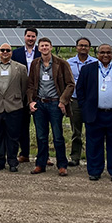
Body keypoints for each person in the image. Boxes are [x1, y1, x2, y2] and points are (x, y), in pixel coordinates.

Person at [76, 44, 112, 182]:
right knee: (94, 144)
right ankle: (95, 171)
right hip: (95, 113)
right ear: (97, 54)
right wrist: (84, 107)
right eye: (102, 52)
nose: (105, 55)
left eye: (108, 52)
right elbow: (80, 90)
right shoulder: (87, 70)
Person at [27, 37, 75, 176]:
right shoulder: (35, 64)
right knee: (41, 137)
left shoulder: (62, 63)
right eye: (42, 46)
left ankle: (62, 165)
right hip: (40, 104)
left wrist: (63, 101)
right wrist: (31, 101)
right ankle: (40, 164)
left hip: (55, 104)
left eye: (46, 45)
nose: (44, 48)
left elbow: (70, 84)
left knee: (58, 136)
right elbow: (30, 85)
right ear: (39, 48)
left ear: (51, 47)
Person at [0, 43, 28, 172]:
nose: (5, 52)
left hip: (14, 106)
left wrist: (15, 97)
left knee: (13, 136)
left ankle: (12, 161)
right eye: (2, 50)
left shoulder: (21, 68)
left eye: (8, 50)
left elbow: (23, 86)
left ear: (11, 52)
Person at [11, 28, 41, 163]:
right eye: (28, 36)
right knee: (22, 125)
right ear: (24, 37)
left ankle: (43, 155)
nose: (30, 38)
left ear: (36, 38)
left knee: (41, 126)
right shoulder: (16, 53)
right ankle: (24, 153)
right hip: (21, 93)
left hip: (39, 93)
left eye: (33, 36)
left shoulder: (41, 52)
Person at [66, 37, 97, 166]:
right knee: (76, 131)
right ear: (76, 47)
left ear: (89, 48)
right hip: (75, 100)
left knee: (92, 130)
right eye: (81, 45)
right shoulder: (69, 63)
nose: (83, 47)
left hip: (91, 101)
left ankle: (92, 157)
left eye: (86, 45)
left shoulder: (95, 62)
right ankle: (75, 157)